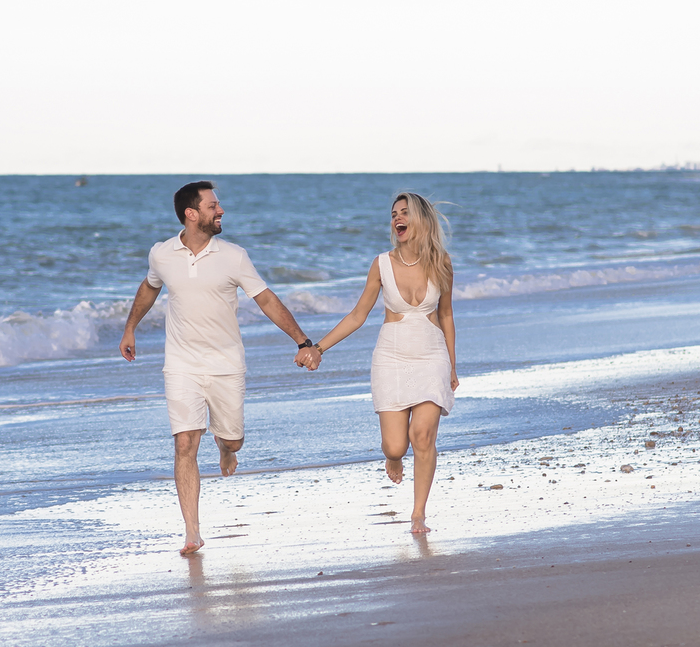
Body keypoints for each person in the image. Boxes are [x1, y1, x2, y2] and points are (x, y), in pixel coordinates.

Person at [120, 181, 319, 556]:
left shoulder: (234, 256)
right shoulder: (162, 254)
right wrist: (130, 327)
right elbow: (150, 287)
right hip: (181, 364)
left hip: (226, 364)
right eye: (213, 206)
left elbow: (266, 299)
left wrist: (303, 341)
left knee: (232, 439)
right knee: (184, 442)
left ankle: (226, 449)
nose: (221, 211)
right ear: (191, 214)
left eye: (219, 206)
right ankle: (192, 531)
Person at [300, 192, 457, 534]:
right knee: (396, 444)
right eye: (393, 214)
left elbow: (445, 315)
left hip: (432, 356)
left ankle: (418, 514)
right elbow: (358, 315)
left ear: (420, 221)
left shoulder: (441, 262)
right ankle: (393, 457)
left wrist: (453, 368)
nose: (397, 219)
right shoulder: (381, 264)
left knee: (423, 435)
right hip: (391, 357)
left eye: (404, 213)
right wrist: (319, 348)